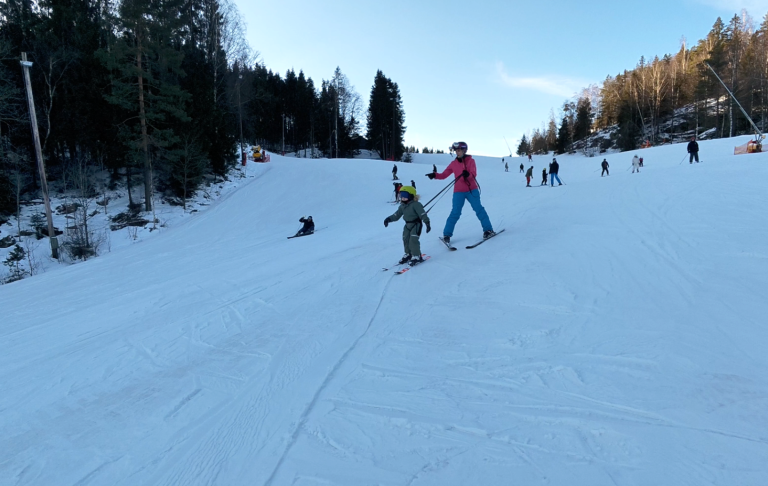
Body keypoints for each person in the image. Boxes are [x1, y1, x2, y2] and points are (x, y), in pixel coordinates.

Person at [426, 141, 495, 242]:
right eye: (456, 151)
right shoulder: (453, 164)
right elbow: (444, 175)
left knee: (479, 209)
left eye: (459, 150)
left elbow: (473, 174)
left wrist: (468, 175)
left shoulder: (471, 161)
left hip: (472, 190)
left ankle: (488, 230)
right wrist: (435, 175)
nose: (457, 152)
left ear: (464, 150)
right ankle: (446, 235)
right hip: (458, 191)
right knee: (455, 212)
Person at [384, 186, 431, 266]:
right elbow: (396, 215)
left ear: (411, 196)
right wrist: (388, 219)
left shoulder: (416, 205)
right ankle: (408, 254)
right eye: (401, 195)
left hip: (416, 224)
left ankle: (417, 256)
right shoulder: (402, 206)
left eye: (405, 195)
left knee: (413, 240)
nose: (403, 197)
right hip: (407, 225)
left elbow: (422, 214)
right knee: (405, 239)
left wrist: (427, 223)